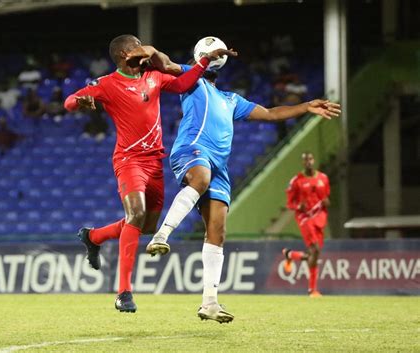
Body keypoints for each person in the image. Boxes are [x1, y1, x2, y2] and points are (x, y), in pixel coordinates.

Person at [128, 39, 340, 322]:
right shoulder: (193, 80)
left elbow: (271, 113)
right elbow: (164, 63)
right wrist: (149, 50)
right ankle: (162, 234)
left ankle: (210, 303)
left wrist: (306, 106)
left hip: (220, 167)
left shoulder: (232, 100)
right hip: (193, 150)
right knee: (200, 178)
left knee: (217, 230)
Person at [63, 34, 235, 313]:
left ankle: (93, 237)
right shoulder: (107, 84)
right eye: (136, 46)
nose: (142, 48)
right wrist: (79, 102)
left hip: (154, 161)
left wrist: (205, 60)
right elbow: (70, 101)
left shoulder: (154, 76)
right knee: (136, 214)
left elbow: (183, 82)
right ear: (123, 54)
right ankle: (124, 293)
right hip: (129, 160)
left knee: (146, 226)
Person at [282, 152, 330, 298]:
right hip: (305, 217)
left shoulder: (323, 178)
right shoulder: (296, 181)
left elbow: (326, 197)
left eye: (310, 159)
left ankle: (290, 254)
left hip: (319, 218)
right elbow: (290, 203)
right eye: (305, 160)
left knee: (313, 254)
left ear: (313, 160)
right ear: (302, 163)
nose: (308, 162)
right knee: (315, 250)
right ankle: (312, 290)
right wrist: (298, 206)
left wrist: (328, 202)